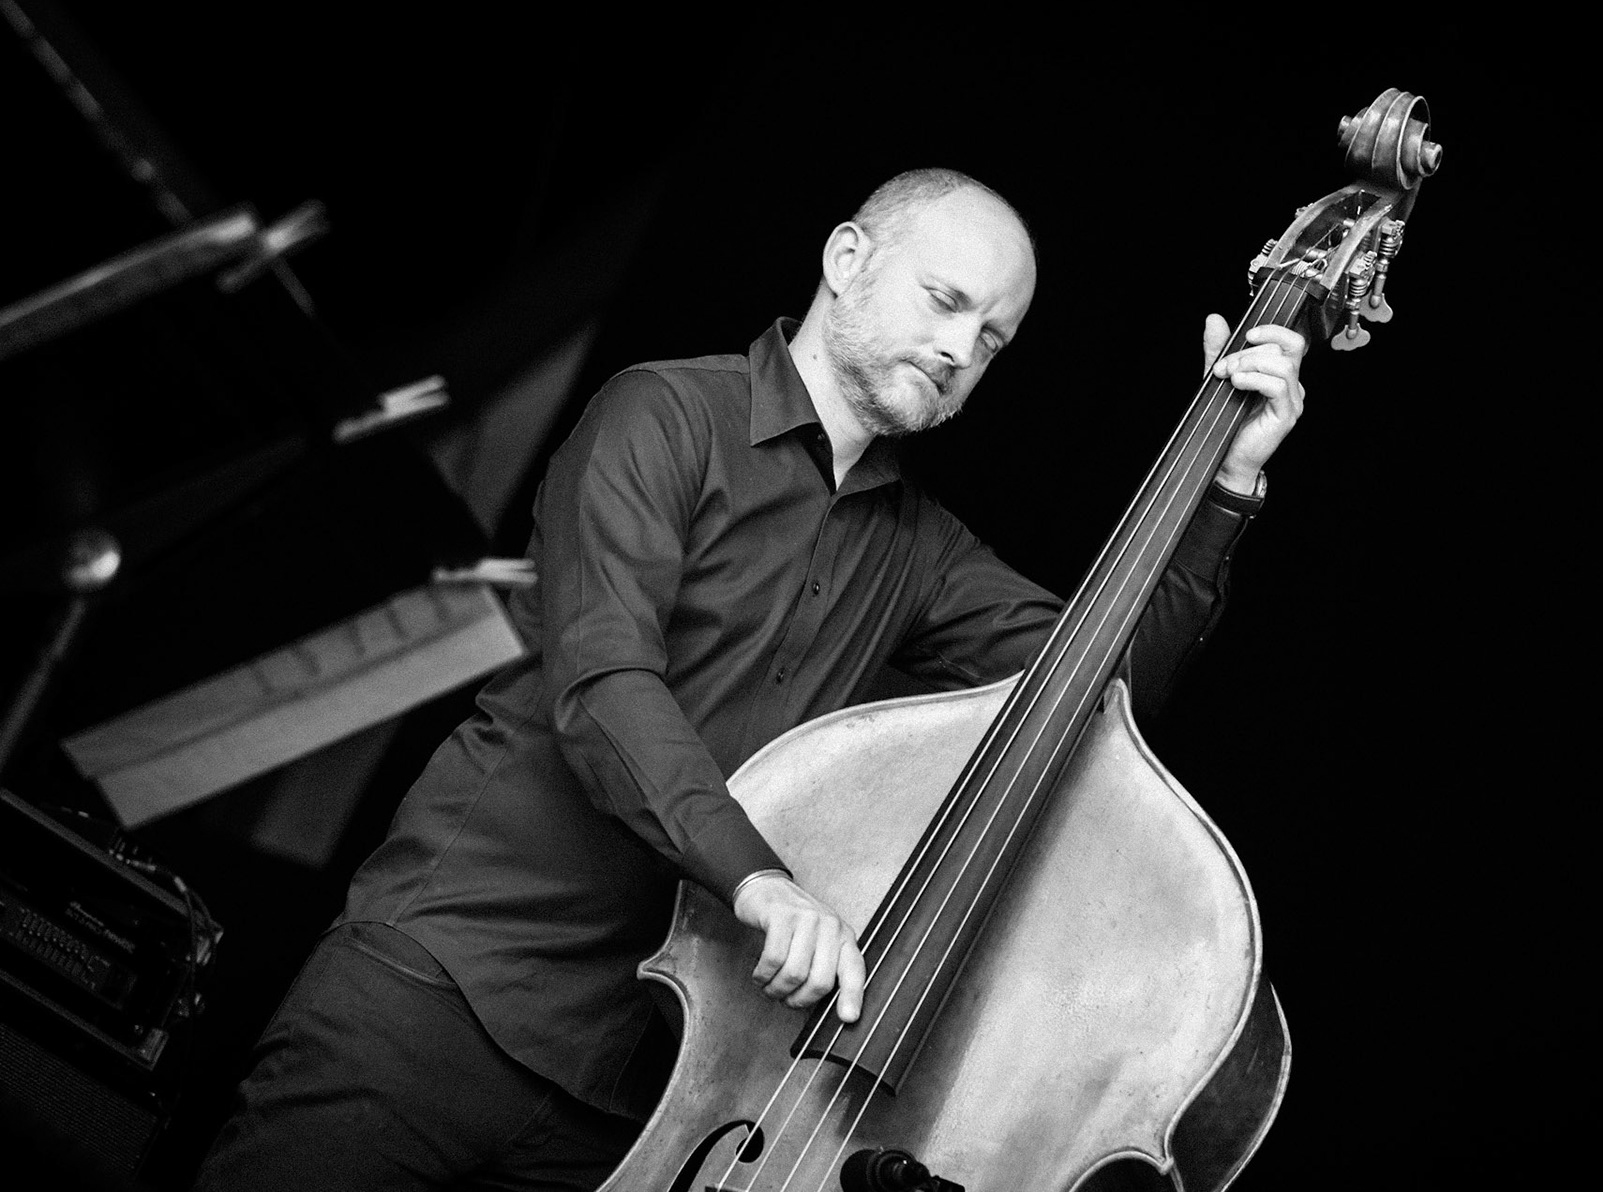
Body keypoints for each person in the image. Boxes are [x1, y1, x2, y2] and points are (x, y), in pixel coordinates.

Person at [193, 169, 1307, 1191]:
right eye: (944, 300)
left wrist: (1226, 482)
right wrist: (759, 881)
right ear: (847, 259)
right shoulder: (662, 413)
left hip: (641, 1093)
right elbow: (604, 687)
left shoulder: (921, 550)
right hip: (440, 998)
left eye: (992, 337)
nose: (959, 347)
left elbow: (1100, 695)